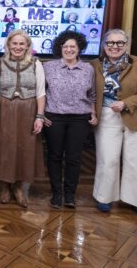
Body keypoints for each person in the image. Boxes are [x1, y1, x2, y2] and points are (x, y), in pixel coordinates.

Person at [0, 29, 46, 208]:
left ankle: (18, 187)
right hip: (4, 110)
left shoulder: (36, 63)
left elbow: (41, 92)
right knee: (5, 147)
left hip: (28, 111)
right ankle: (4, 186)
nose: (18, 47)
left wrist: (39, 117)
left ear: (27, 46)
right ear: (8, 45)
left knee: (24, 148)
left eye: (21, 44)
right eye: (14, 43)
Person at [91, 29, 137, 217]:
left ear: (126, 45)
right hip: (106, 116)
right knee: (108, 159)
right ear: (104, 45)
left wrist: (126, 103)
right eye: (110, 43)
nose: (115, 46)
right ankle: (104, 197)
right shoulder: (95, 64)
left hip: (135, 116)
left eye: (119, 43)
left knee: (135, 161)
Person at [42, 30, 96, 209]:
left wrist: (94, 114)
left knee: (74, 158)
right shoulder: (48, 67)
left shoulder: (88, 69)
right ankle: (56, 194)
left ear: (79, 48)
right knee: (55, 156)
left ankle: (70, 195)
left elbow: (93, 94)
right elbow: (41, 93)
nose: (69, 49)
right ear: (60, 48)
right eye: (66, 46)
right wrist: (41, 115)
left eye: (73, 46)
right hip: (54, 118)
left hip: (80, 119)